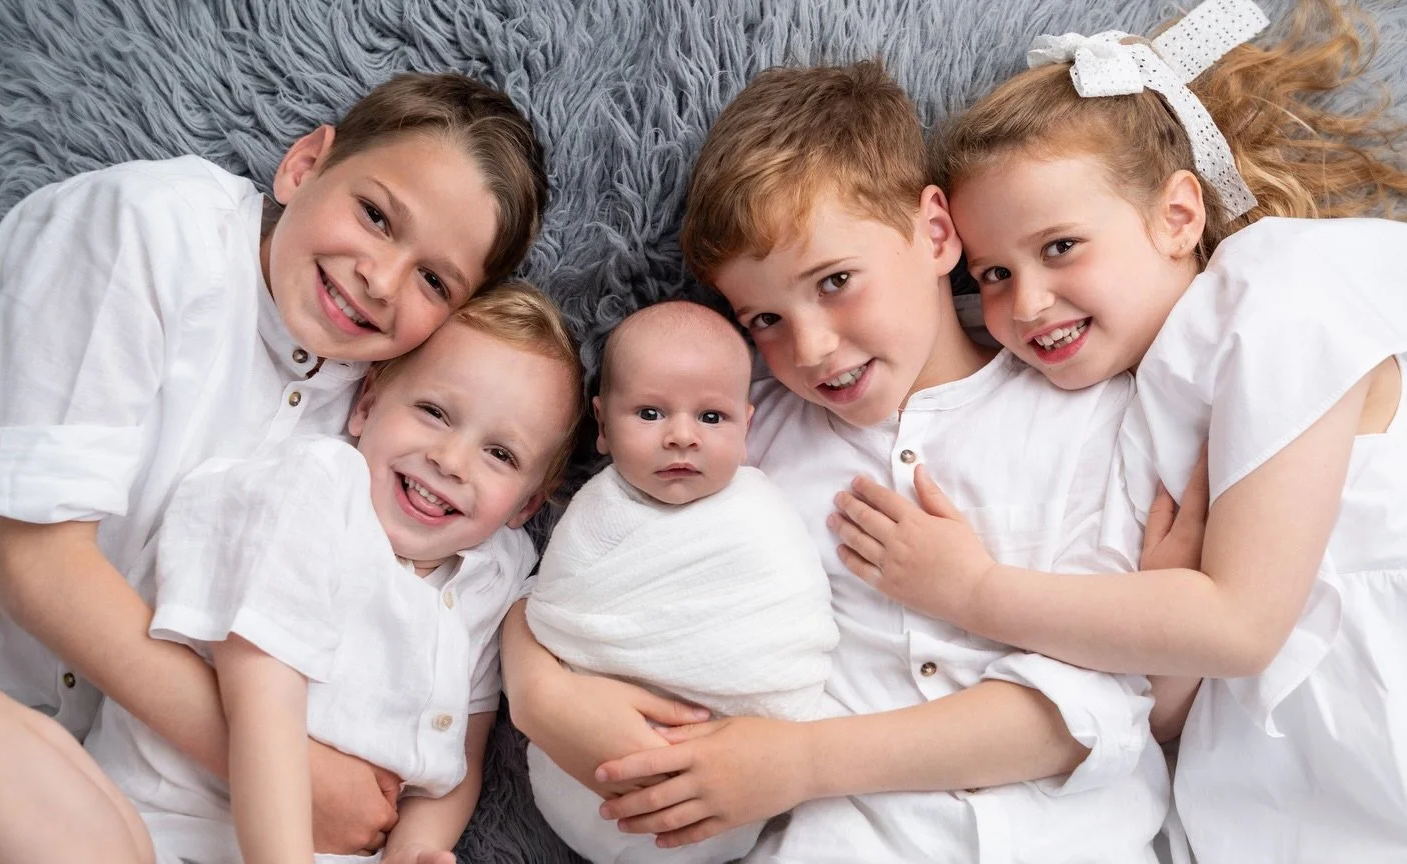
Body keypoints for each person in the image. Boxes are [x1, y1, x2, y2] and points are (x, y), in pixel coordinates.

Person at [502, 61, 1176, 863]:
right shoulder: (743, 433)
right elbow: (595, 573)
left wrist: (803, 762)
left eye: (836, 282)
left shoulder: (1086, 415)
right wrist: (540, 692)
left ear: (934, 233)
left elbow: (1094, 704)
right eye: (765, 320)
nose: (812, 348)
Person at [832, 1, 1407, 860]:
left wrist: (973, 591)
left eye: (1060, 247)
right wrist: (1166, 612)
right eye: (992, 273)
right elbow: (1161, 712)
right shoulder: (1121, 410)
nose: (1024, 303)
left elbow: (1241, 626)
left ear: (1177, 217)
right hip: (1268, 780)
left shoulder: (1274, 297)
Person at [0, 70, 548, 852]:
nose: (380, 279)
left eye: (433, 280)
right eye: (375, 215)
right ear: (303, 165)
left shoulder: (382, 413)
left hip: (120, 785)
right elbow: (32, 561)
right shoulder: (147, 228)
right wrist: (293, 774)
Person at [0, 283, 585, 864]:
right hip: (168, 830)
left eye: (500, 454)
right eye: (433, 412)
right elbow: (263, 711)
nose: (450, 460)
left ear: (527, 505)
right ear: (367, 404)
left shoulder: (493, 578)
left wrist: (412, 850)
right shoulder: (311, 490)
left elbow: (457, 759)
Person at [523, 300, 838, 864]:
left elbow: (794, 631)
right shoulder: (595, 514)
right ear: (602, 424)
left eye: (711, 418)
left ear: (747, 425)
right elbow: (555, 616)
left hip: (742, 774)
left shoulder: (762, 514)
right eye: (650, 413)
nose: (681, 437)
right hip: (590, 760)